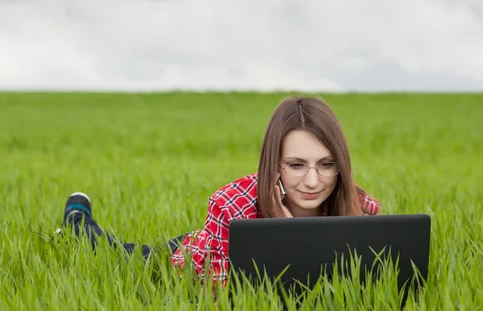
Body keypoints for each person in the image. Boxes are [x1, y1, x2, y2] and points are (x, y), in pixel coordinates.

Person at [58, 96, 381, 286]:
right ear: (274, 164)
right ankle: (76, 220)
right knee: (117, 254)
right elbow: (223, 300)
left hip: (215, 241)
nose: (313, 181)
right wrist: (277, 236)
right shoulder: (231, 205)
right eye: (296, 165)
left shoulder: (362, 210)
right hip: (194, 256)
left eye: (326, 164)